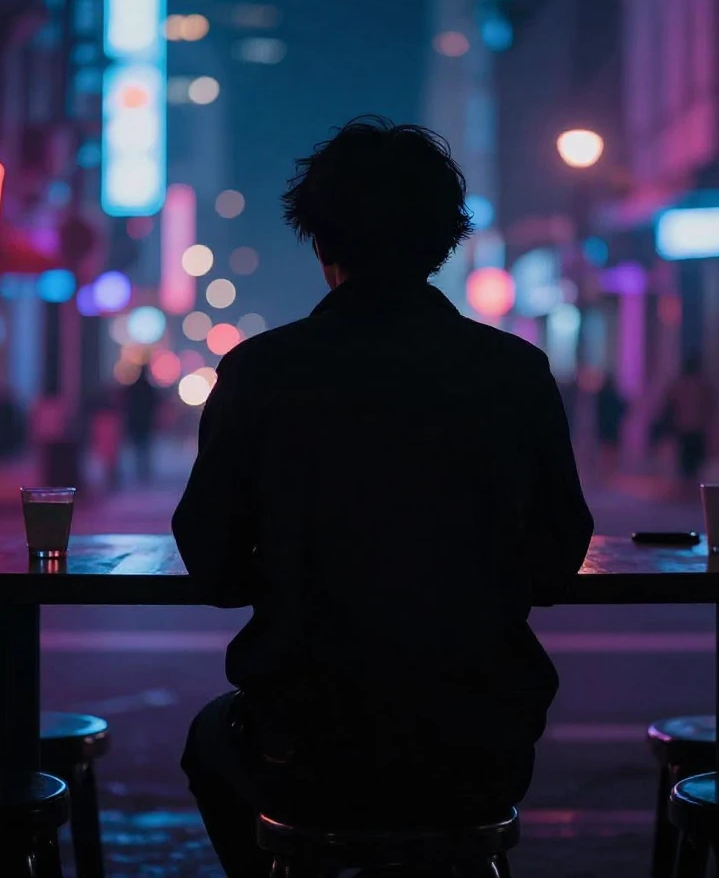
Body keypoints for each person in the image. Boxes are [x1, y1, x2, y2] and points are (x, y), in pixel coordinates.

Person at [173, 117, 594, 878]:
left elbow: (214, 570)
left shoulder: (263, 374)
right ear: (444, 240)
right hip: (479, 743)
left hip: (305, 743)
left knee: (210, 743)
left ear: (320, 240)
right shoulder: (515, 373)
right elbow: (557, 561)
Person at [665, 355, 714, 488]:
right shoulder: (701, 384)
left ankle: (687, 481)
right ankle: (690, 481)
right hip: (695, 426)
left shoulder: (681, 384)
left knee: (687, 455)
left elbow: (670, 403)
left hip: (685, 426)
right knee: (693, 455)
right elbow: (709, 405)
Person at [124, 364, 159, 483]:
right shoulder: (148, 388)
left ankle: (140, 470)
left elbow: (127, 404)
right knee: (144, 447)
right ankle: (144, 471)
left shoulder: (134, 387)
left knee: (139, 447)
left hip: (136, 421)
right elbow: (154, 404)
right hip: (145, 422)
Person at [595, 373, 627, 473]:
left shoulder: (601, 395)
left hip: (604, 425)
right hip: (612, 426)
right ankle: (609, 468)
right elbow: (621, 409)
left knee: (606, 448)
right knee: (611, 448)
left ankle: (606, 468)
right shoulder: (613, 396)